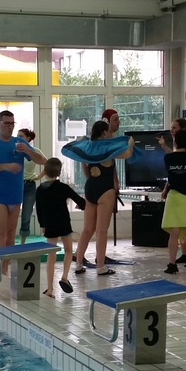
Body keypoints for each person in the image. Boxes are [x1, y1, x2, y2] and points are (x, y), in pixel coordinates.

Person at [0, 110, 45, 274]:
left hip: (15, 195)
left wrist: (28, 151)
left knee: (10, 236)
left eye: (12, 124)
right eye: (6, 123)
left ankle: (5, 270)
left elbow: (42, 161)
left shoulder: (19, 143)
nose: (10, 127)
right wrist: (6, 166)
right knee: (0, 235)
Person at [74, 117, 133, 277]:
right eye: (109, 132)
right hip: (105, 189)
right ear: (104, 133)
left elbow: (83, 166)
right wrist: (131, 144)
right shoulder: (107, 148)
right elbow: (127, 154)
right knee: (101, 230)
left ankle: (78, 264)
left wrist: (91, 180)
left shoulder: (88, 147)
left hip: (90, 187)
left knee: (87, 229)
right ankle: (100, 266)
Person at [34, 158, 85, 297]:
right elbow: (80, 201)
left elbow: (38, 209)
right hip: (64, 223)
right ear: (59, 172)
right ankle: (64, 277)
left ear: (45, 172)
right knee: (68, 250)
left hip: (49, 225)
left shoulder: (40, 189)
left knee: (51, 256)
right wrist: (81, 206)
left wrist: (42, 225)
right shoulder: (63, 187)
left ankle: (50, 289)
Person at [158, 117, 186, 263]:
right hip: (181, 193)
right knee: (181, 229)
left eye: (174, 128)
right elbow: (174, 172)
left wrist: (165, 147)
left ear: (183, 129)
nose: (171, 130)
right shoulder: (178, 149)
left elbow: (180, 161)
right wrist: (166, 188)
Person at [16, 128, 45, 243]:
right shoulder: (14, 151)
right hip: (15, 185)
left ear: (28, 138)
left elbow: (48, 163)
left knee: (26, 215)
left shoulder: (34, 151)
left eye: (21, 136)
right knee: (12, 213)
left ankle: (22, 242)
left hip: (29, 185)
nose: (18, 138)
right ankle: (9, 241)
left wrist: (39, 177)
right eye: (17, 135)